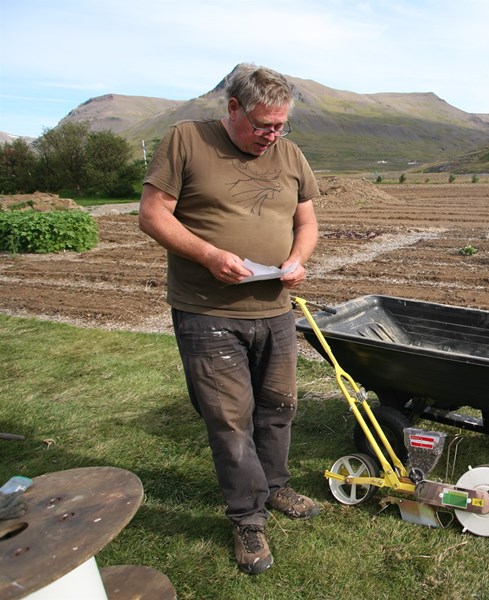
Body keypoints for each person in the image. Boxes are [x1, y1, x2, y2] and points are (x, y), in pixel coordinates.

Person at [139, 63, 320, 575]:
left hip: (276, 309)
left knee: (279, 406)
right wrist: (208, 255)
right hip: (208, 311)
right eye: (263, 124)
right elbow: (153, 214)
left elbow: (305, 219)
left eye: (281, 125)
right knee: (229, 418)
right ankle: (247, 518)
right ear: (233, 108)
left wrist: (299, 258)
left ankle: (276, 486)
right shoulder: (187, 140)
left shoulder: (289, 153)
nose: (273, 135)